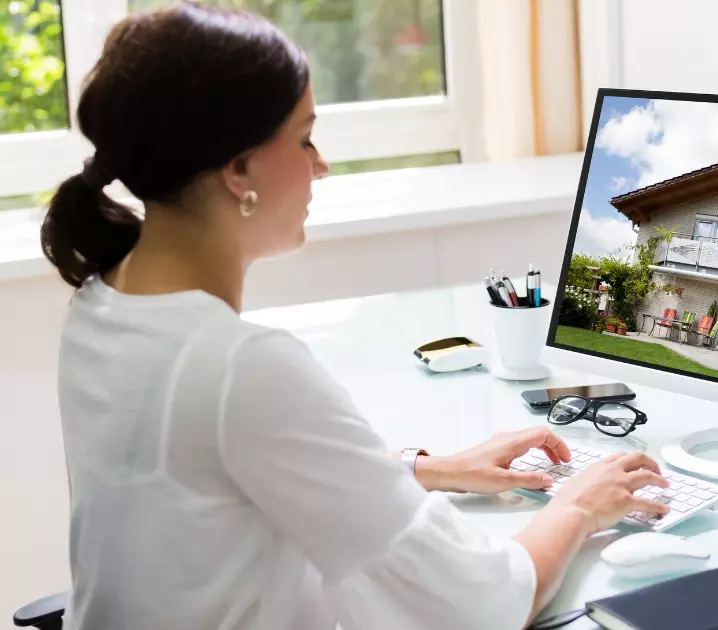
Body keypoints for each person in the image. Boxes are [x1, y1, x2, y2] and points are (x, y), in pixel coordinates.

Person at [41, 4, 669, 629]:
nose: (321, 165)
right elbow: (474, 603)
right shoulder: (240, 368)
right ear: (238, 169)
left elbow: (212, 477)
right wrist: (579, 507)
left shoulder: (100, 303)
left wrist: (426, 470)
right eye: (304, 137)